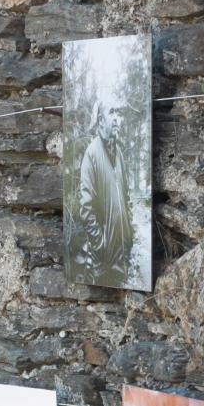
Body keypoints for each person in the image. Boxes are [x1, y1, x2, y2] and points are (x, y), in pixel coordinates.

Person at [70, 101, 134, 286]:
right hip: (104, 259)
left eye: (119, 113)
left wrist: (128, 231)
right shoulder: (91, 154)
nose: (117, 118)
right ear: (100, 119)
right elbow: (86, 207)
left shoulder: (119, 152)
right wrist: (100, 244)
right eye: (112, 112)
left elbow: (126, 195)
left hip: (122, 252)